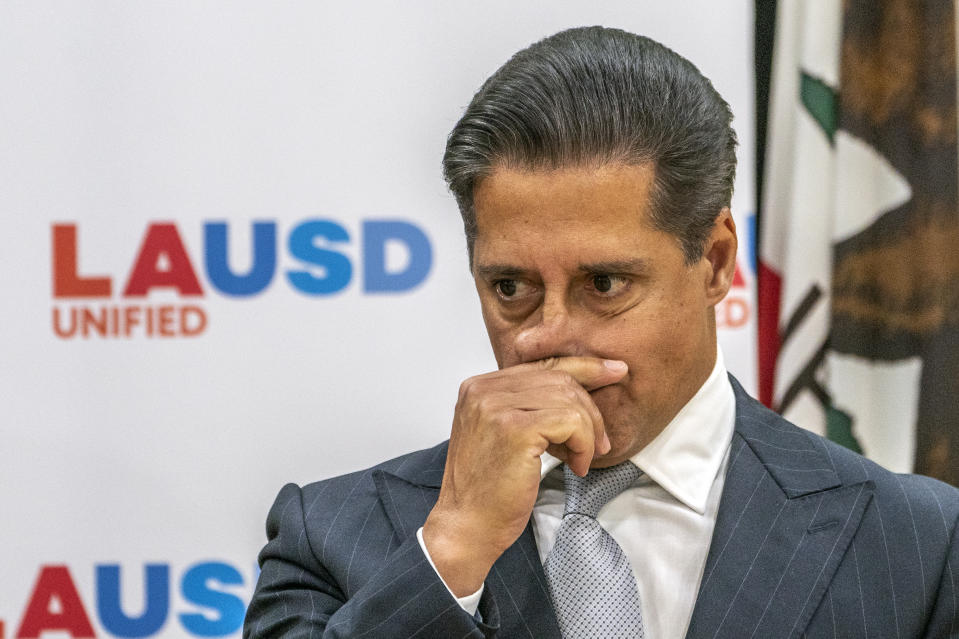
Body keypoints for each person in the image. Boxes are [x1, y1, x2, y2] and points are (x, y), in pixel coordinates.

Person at [243, 26, 959, 638]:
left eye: (604, 285)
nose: (547, 337)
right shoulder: (331, 533)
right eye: (511, 288)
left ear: (712, 262)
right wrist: (452, 547)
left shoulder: (915, 543)